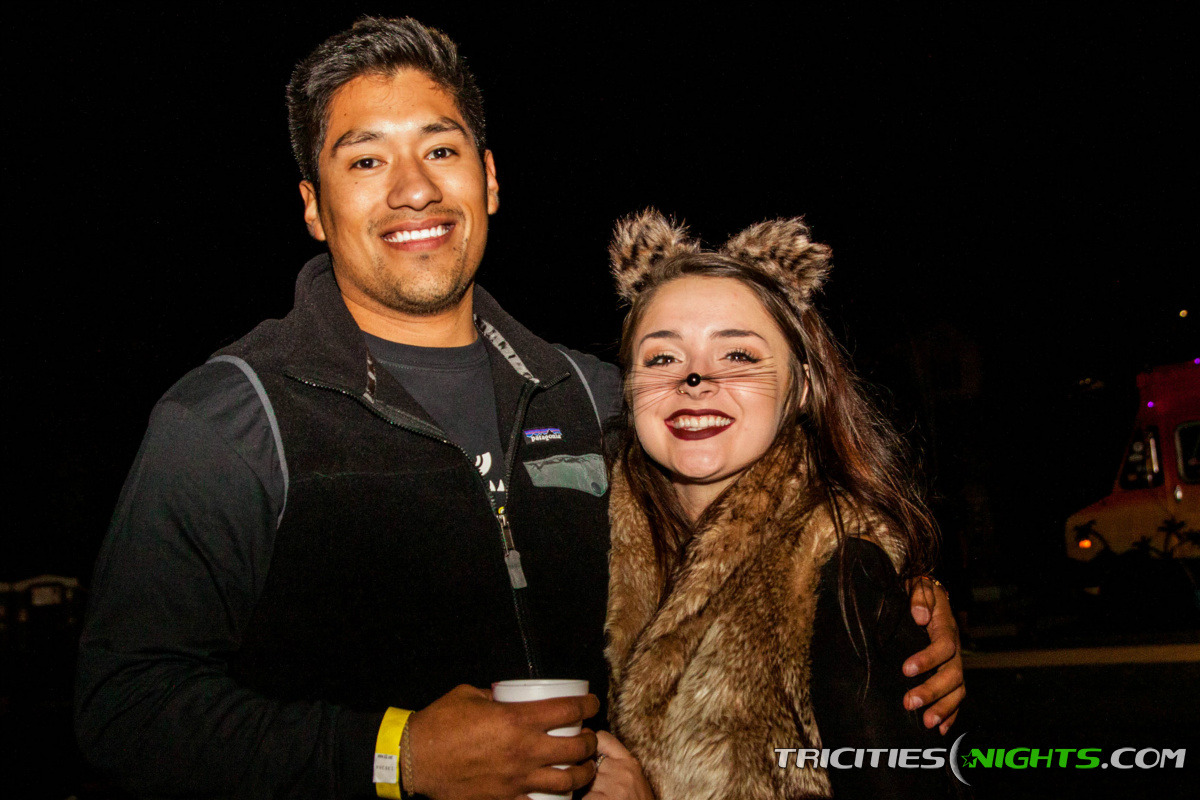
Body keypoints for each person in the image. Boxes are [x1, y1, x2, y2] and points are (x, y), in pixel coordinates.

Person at [75, 17, 964, 800]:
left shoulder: (595, 394)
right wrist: (396, 755)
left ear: (489, 179)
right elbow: (123, 710)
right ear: (313, 206)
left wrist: (889, 605)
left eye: (441, 149)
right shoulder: (229, 421)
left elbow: (761, 520)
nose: (414, 188)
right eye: (366, 160)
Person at [590, 210, 957, 799]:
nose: (695, 379)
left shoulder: (840, 570)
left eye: (738, 355)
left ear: (802, 387)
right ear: (629, 388)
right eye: (662, 358)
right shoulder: (588, 542)